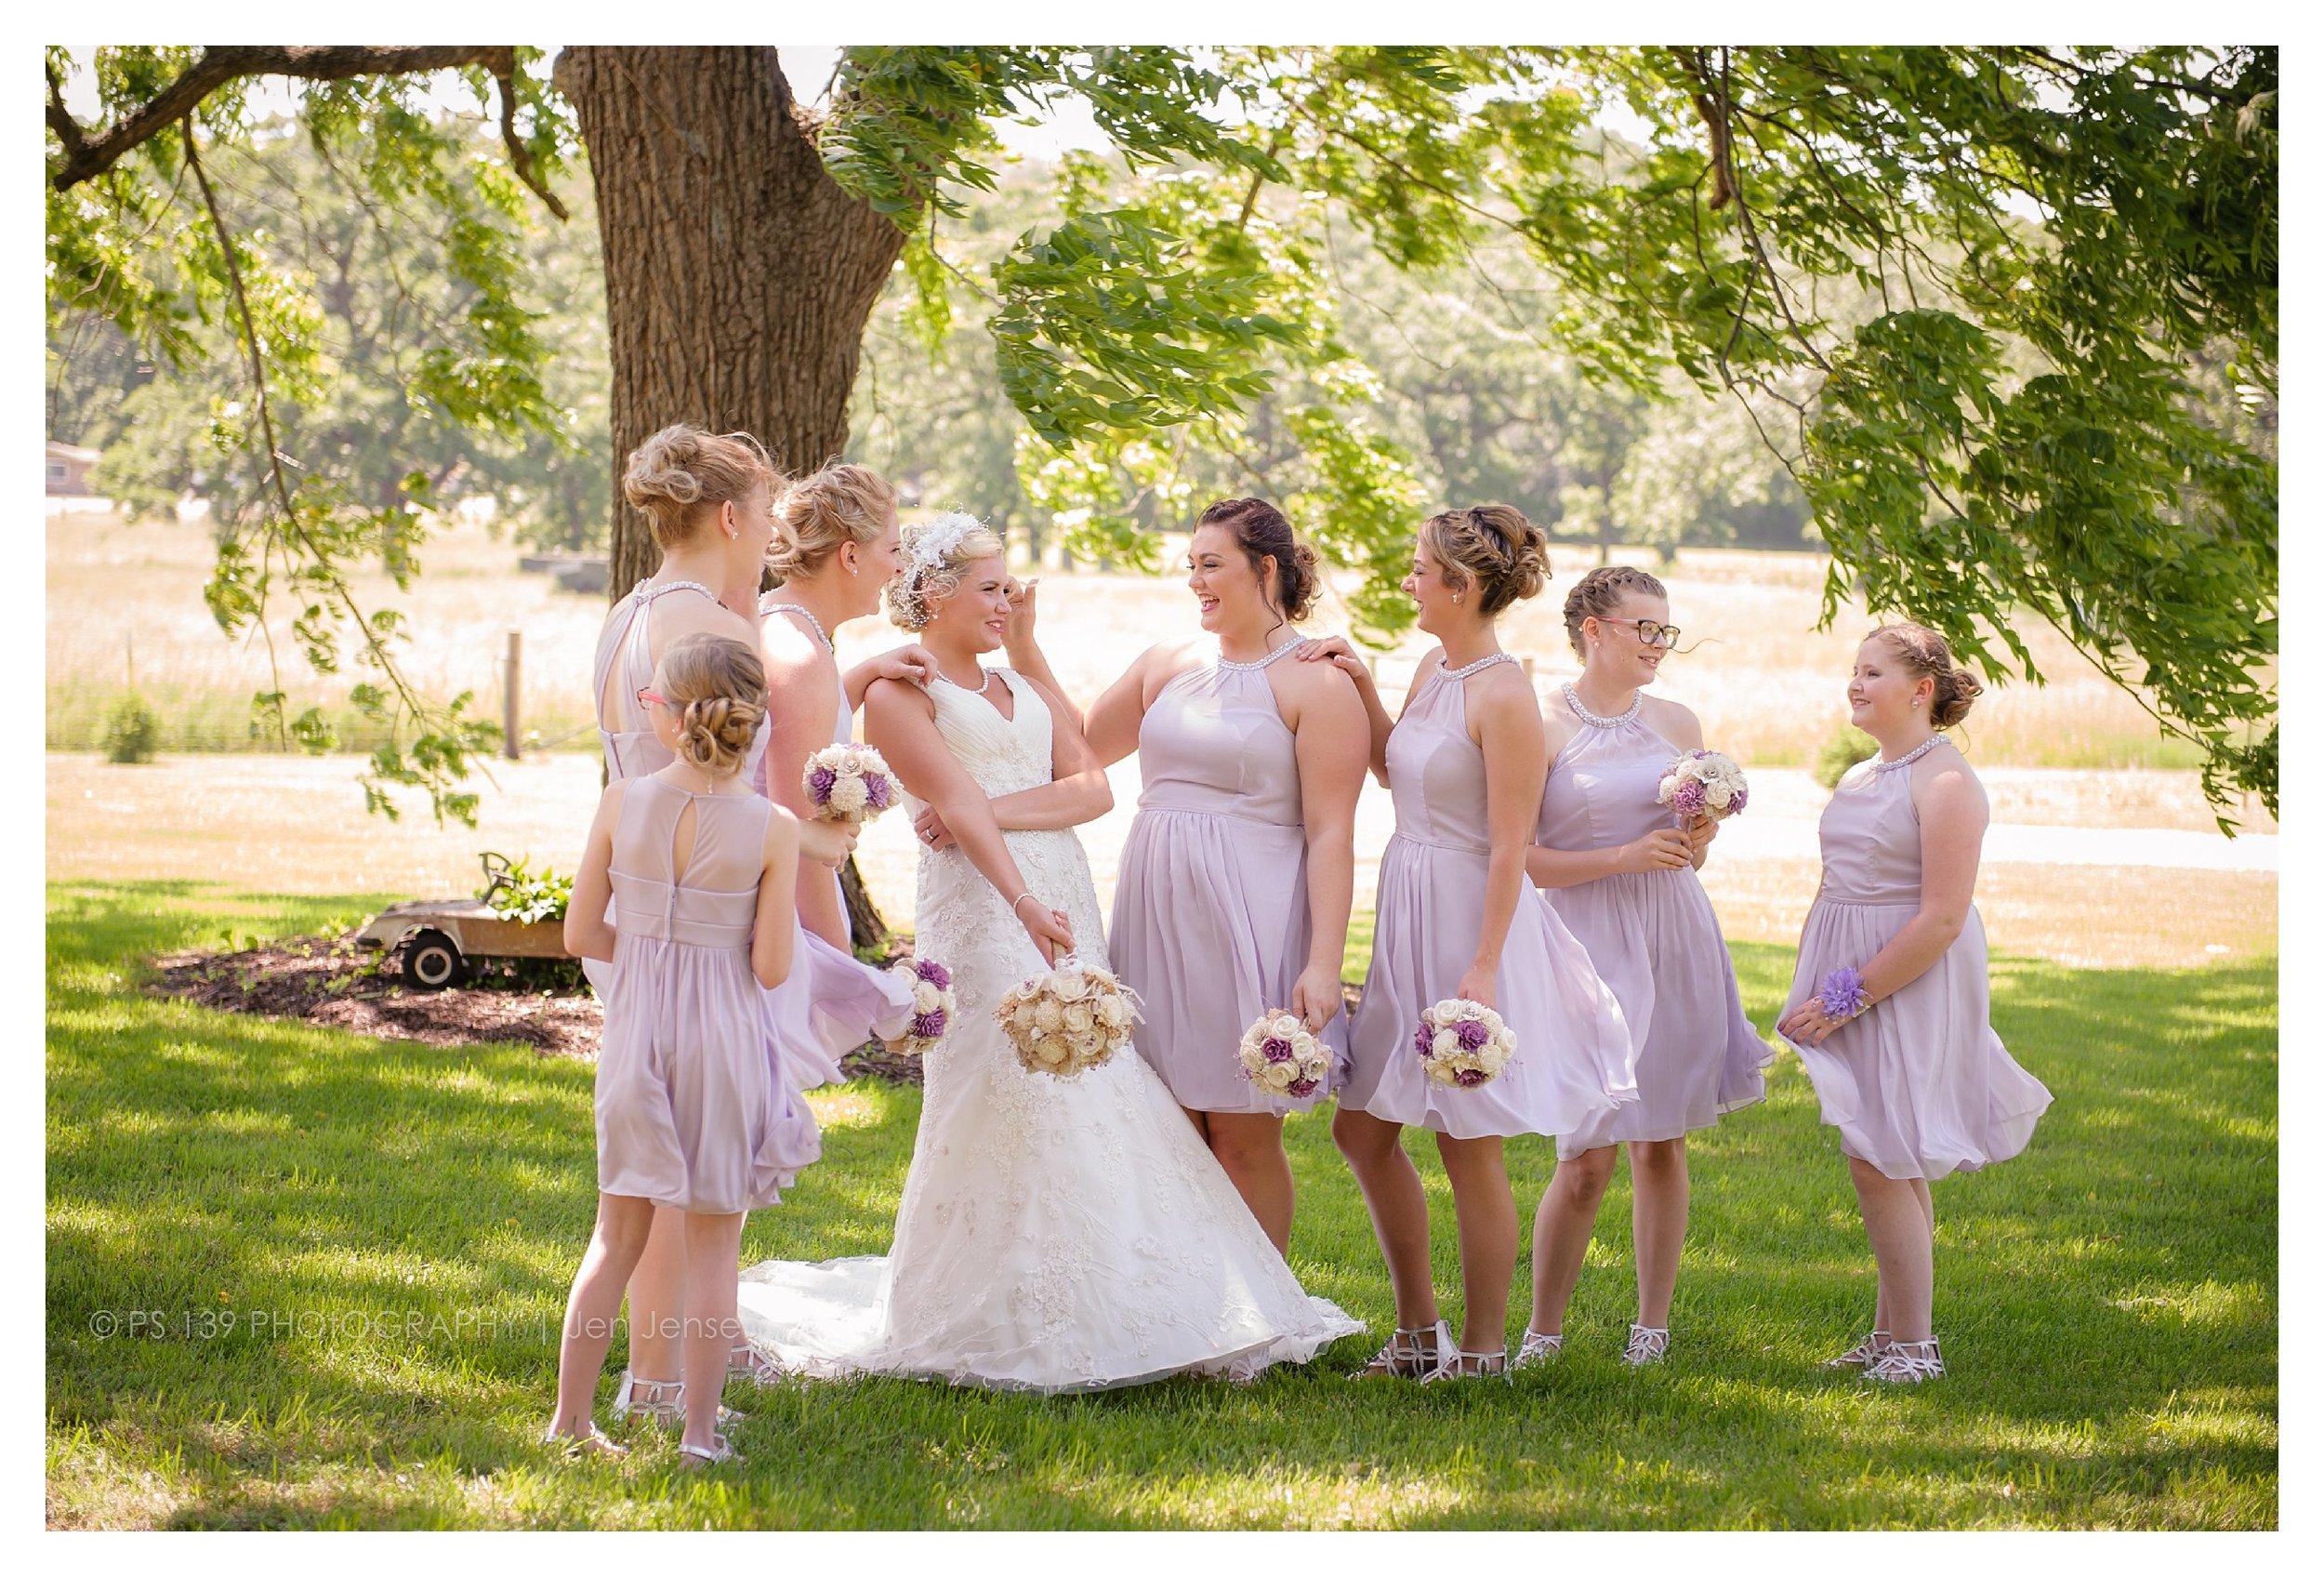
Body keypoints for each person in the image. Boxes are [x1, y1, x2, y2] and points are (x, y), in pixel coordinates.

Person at [733, 514, 1361, 1391]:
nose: (1009, 598)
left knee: (1098, 1097)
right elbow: (952, 792)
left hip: (1061, 896)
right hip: (985, 909)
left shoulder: (1015, 687)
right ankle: (1002, 1303)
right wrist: (1006, 873)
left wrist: (1017, 697)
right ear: (935, 592)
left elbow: (1094, 786)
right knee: (1000, 1092)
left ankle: (1149, 1296)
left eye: (1006, 584)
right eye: (991, 587)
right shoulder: (899, 694)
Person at [1300, 507, 1635, 1381]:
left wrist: (1482, 968)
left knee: (1465, 1138)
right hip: (1406, 906)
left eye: (1418, 570)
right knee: (1363, 1131)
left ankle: (1483, 1351)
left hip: (1470, 923)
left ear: (1461, 585)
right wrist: (1366, 689)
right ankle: (1418, 1332)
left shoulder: (1505, 693)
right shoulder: (1431, 670)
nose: (1407, 582)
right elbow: (1395, 769)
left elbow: (1510, 845)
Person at [994, 497, 1367, 1253]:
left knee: (1238, 1131)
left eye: (1211, 564)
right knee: (1166, 1122)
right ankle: (1194, 1308)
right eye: (1190, 565)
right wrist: (1027, 650)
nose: (1195, 581)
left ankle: (1262, 1326)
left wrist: (1324, 963)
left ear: (1266, 569)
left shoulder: (1316, 683)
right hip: (1157, 908)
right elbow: (1081, 748)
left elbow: (1333, 833)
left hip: (1250, 917)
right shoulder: (1168, 663)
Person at [585, 424, 858, 1425]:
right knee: (693, 1170)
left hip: (633, 905)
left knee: (652, 1152)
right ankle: (656, 1385)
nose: (769, 550)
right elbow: (746, 800)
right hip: (708, 926)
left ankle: (689, 1359)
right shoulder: (718, 633)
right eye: (766, 524)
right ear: (733, 516)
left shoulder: (626, 615)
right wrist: (827, 833)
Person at [546, 632, 806, 1467]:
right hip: (723, 1044)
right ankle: (697, 1436)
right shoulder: (774, 827)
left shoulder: (621, 802)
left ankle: (570, 1424)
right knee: (712, 1246)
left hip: (635, 1039)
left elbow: (582, 932)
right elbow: (769, 968)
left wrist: (658, 959)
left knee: (614, 1238)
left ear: (670, 715)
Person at [1774, 624, 2053, 1384]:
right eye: (1853, 672)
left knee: (1879, 1154)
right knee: (1889, 1153)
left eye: (1872, 673)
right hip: (1847, 971)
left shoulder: (1947, 783)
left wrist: (1846, 997)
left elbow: (1941, 917)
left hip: (1906, 981)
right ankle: (1891, 1333)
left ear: (1921, 689)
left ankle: (1916, 1349)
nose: (1855, 685)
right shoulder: (1866, 775)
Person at [1515, 566, 1772, 1369]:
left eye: (1667, 631)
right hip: (1583, 942)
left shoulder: (1675, 718)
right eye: (1645, 629)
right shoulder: (1542, 721)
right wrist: (1623, 853)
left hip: (1673, 934)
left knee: (1661, 1143)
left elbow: (1693, 852)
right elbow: (1516, 860)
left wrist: (1699, 836)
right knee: (1585, 1154)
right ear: (1594, 630)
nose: (1661, 644)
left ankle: (1650, 1330)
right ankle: (1541, 1333)